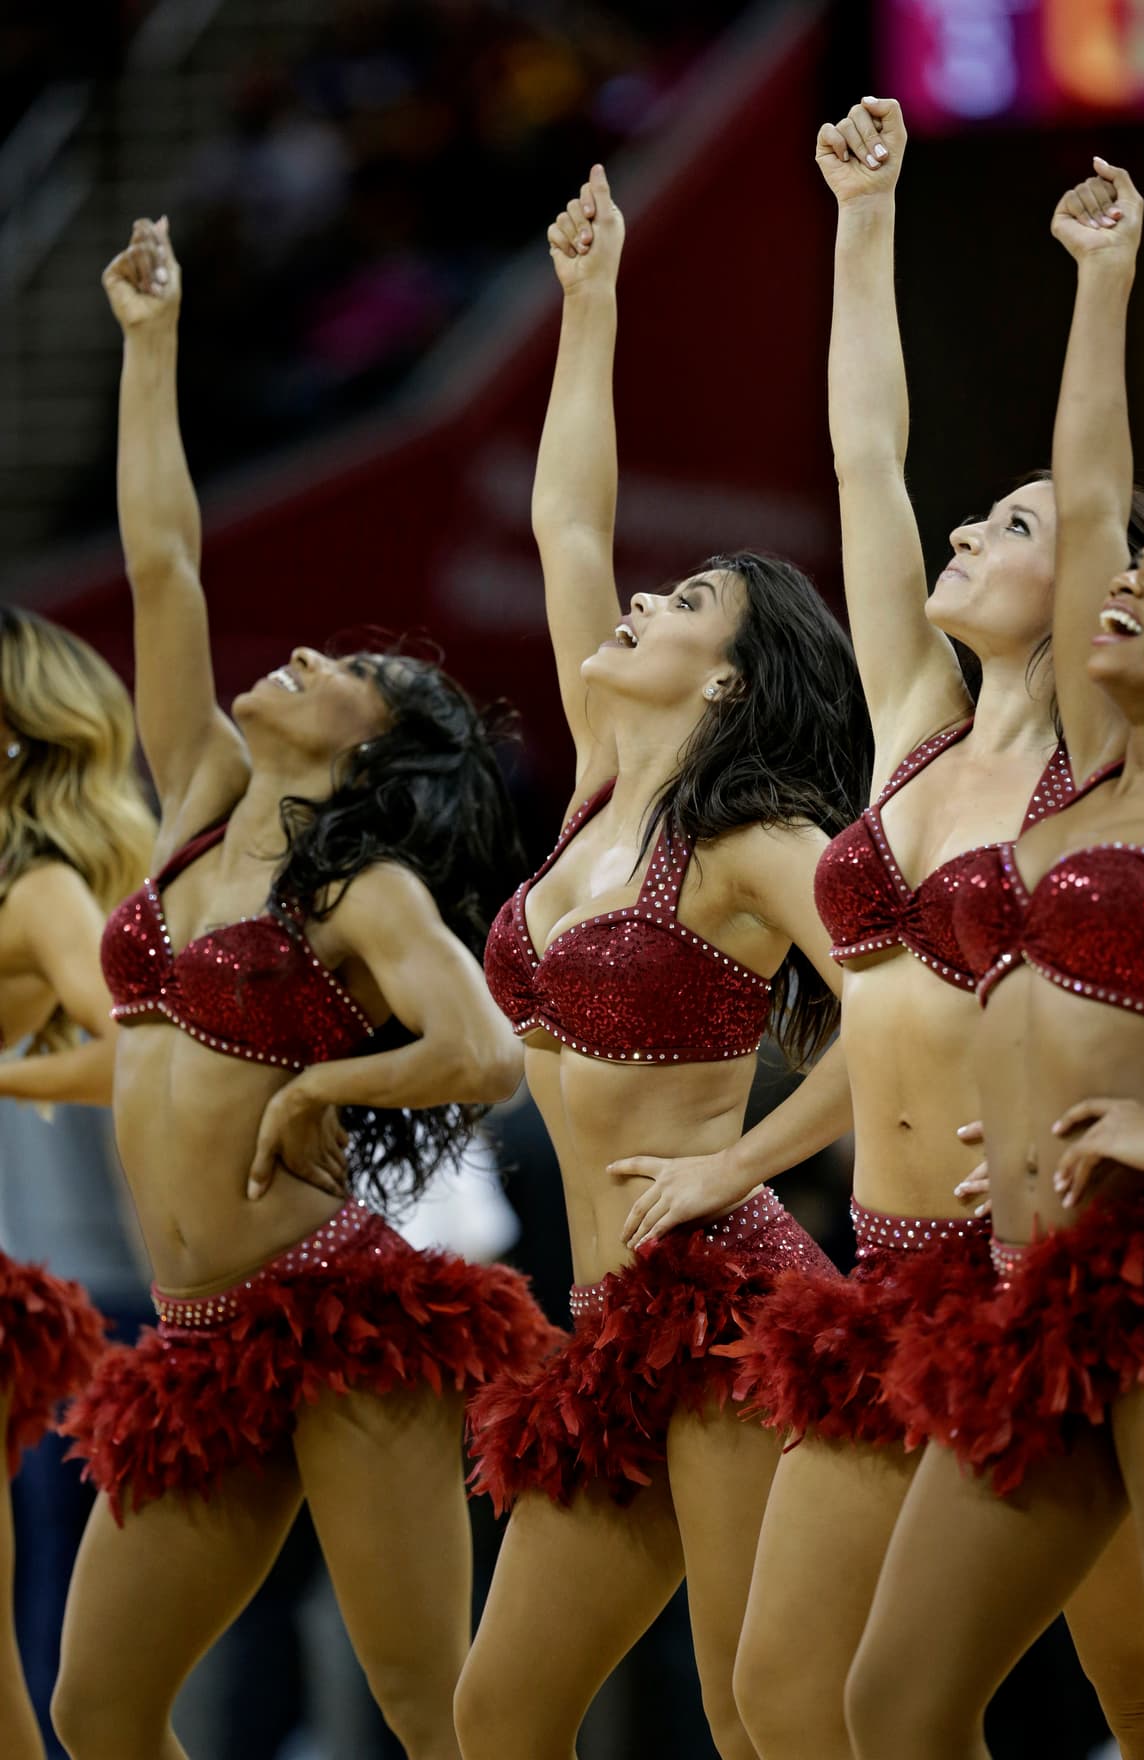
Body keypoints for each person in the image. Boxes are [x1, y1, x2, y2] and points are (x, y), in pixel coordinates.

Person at [608, 102, 1144, 1759]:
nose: (967, 535)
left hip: (1048, 1275)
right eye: (977, 520)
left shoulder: (1090, 758)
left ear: (1096, 583)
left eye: (1010, 532)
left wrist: (1101, 282)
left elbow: (1087, 483)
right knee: (798, 1702)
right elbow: (869, 458)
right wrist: (863, 221)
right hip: (881, 1277)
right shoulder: (916, 726)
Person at [53, 217, 554, 1760]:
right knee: (101, 1705)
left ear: (370, 746)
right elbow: (161, 557)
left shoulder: (367, 889)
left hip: (339, 1314)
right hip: (194, 1333)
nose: (303, 658)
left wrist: (329, 1087)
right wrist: (150, 346)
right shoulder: (200, 791)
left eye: (342, 667)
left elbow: (483, 1056)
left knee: (428, 1705)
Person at [846, 158, 1144, 1760]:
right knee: (897, 1705)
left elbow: (1096, 505)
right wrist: (1103, 280)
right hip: (1022, 1291)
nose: (1125, 577)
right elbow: (1093, 488)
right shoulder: (1085, 770)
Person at [456, 165, 864, 1760]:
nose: (638, 596)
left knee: (761, 1718)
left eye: (686, 598)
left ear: (738, 677)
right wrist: (590, 302)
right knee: (504, 1721)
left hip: (731, 1304)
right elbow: (565, 516)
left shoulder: (753, 843)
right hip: (602, 1322)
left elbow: (892, 1017)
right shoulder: (603, 788)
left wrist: (730, 1171)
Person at [0, 606, 154, 1759]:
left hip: (72, 1287)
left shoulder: (40, 884)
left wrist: (8, 1075)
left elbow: (142, 1046)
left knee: (33, 1648)